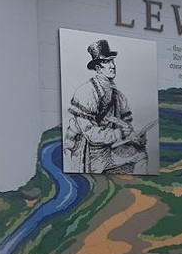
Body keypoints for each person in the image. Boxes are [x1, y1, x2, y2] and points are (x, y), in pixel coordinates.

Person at [63, 39, 149, 174]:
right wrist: (119, 134)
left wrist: (134, 137)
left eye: (112, 61)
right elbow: (90, 134)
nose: (112, 66)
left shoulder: (119, 96)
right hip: (86, 153)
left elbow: (125, 127)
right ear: (98, 68)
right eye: (107, 62)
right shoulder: (85, 92)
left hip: (108, 150)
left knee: (140, 155)